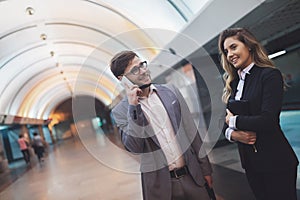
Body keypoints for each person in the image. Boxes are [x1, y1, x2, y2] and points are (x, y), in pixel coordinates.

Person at [110, 50, 213, 200]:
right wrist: (134, 107)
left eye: (142, 65)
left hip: (193, 177)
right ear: (122, 79)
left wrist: (206, 169)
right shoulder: (120, 111)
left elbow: (192, 132)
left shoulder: (171, 92)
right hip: (160, 188)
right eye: (135, 69)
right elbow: (134, 147)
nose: (143, 71)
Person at [218, 28, 299, 200]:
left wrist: (234, 121)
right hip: (251, 164)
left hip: (276, 162)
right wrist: (233, 134)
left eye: (234, 47)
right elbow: (224, 124)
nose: (230, 54)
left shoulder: (269, 75)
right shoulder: (235, 83)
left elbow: (268, 120)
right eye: (226, 51)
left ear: (249, 46)